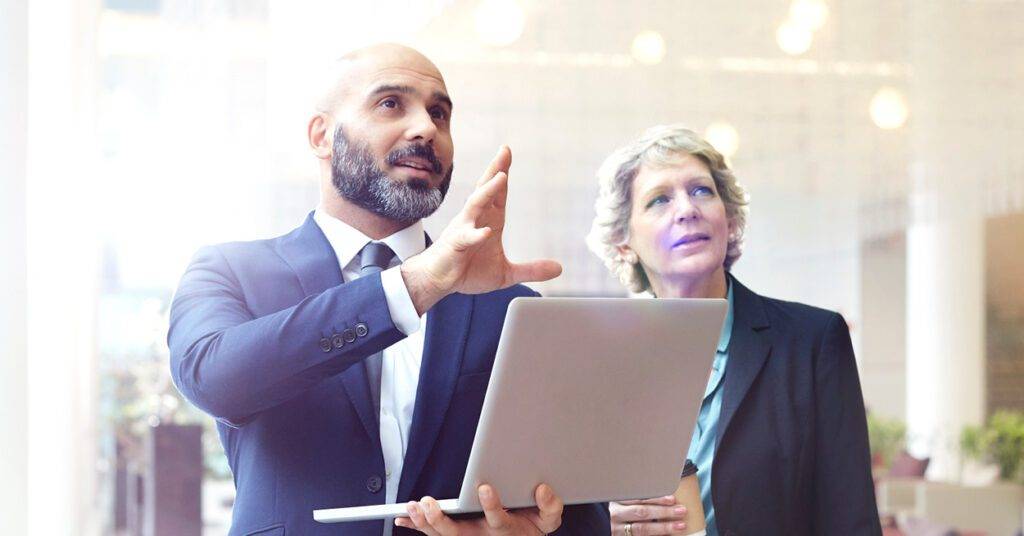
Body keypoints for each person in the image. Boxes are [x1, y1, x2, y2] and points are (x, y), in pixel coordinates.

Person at [168, 43, 608, 536]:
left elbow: (580, 510)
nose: (425, 128)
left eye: (439, 113)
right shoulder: (230, 270)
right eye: (391, 104)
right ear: (322, 135)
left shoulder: (513, 308)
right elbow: (215, 380)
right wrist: (417, 284)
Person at [587, 125, 881, 536]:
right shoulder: (598, 359)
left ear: (729, 218)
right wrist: (598, 523)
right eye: (659, 199)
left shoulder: (813, 341)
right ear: (624, 243)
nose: (687, 208)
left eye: (702, 191)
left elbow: (851, 520)